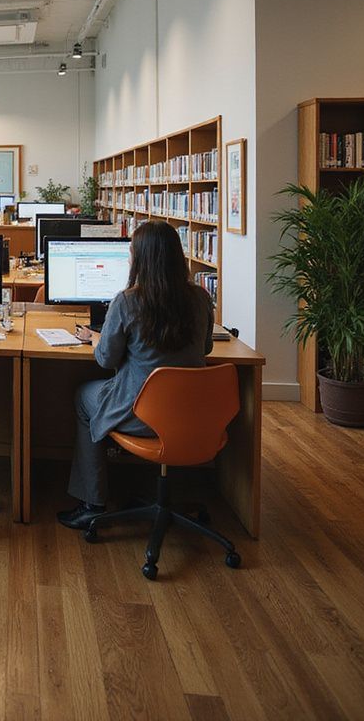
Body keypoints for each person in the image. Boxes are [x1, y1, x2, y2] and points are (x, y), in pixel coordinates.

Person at [58, 220, 213, 529]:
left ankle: (93, 502)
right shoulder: (200, 299)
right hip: (194, 415)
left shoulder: (128, 301)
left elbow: (106, 360)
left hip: (139, 414)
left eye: (131, 252)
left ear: (140, 258)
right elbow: (206, 348)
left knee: (82, 396)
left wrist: (95, 338)